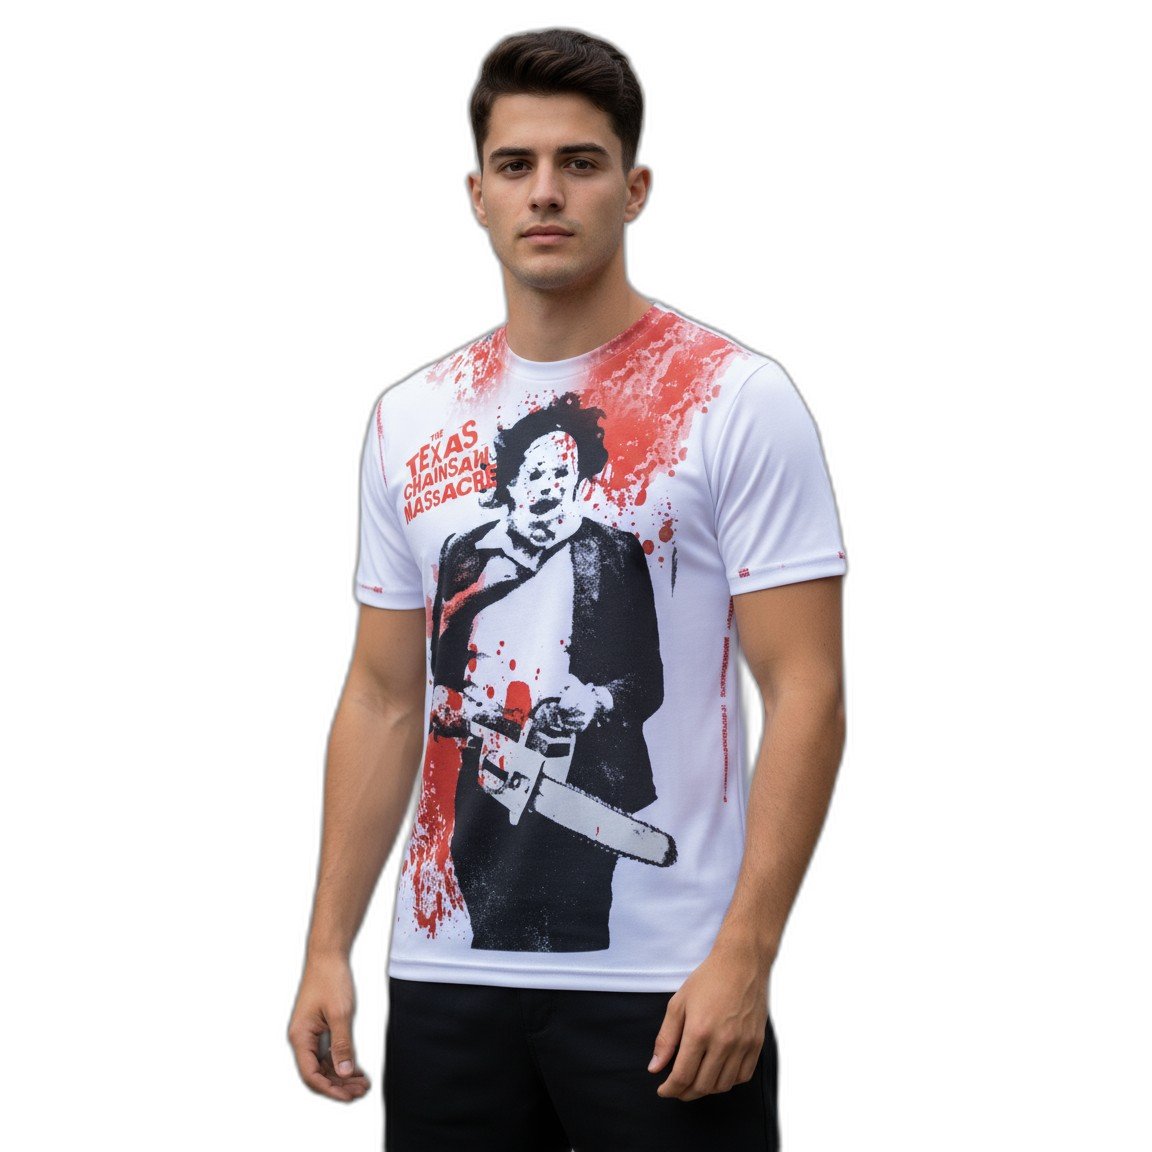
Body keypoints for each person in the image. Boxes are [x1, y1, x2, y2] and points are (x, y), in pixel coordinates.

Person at [288, 27, 847, 1152]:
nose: (545, 191)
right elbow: (387, 696)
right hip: (448, 967)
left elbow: (807, 690)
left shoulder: (735, 399)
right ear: (478, 195)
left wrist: (746, 954)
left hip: (665, 971)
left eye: (580, 163)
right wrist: (325, 946)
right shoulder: (410, 419)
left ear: (633, 188)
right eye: (516, 164)